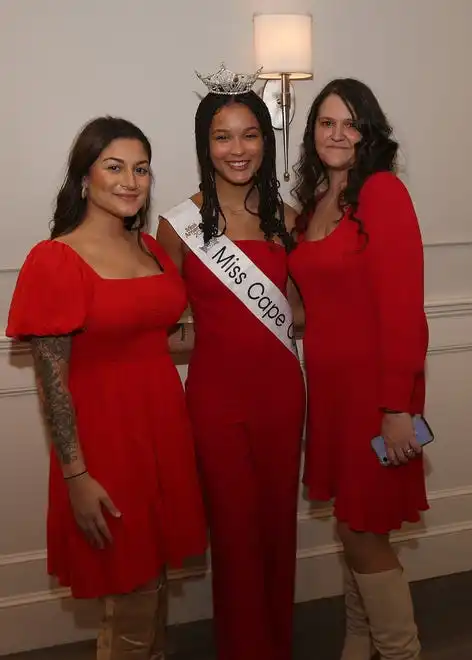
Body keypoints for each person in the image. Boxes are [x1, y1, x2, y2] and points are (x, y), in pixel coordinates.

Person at [6, 116, 207, 660]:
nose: (130, 180)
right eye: (114, 167)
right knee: (131, 600)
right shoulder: (55, 260)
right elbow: (53, 384)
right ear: (83, 178)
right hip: (105, 446)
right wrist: (75, 475)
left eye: (141, 169)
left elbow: (163, 334)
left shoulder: (152, 251)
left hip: (163, 433)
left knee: (154, 586)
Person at [157, 65, 306, 660]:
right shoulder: (178, 225)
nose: (237, 149)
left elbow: (299, 311)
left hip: (280, 396)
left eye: (250, 135)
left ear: (266, 143)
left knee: (277, 530)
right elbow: (160, 319)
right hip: (216, 400)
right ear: (204, 145)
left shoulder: (288, 220)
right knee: (236, 538)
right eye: (223, 136)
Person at [289, 78, 428, 660]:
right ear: (313, 132)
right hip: (333, 398)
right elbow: (308, 302)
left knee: (365, 531)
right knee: (353, 524)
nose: (338, 133)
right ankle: (357, 644)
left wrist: (396, 409)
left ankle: (400, 651)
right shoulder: (319, 200)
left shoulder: (383, 192)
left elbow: (403, 308)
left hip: (377, 399)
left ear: (369, 133)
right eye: (326, 123)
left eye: (351, 123)